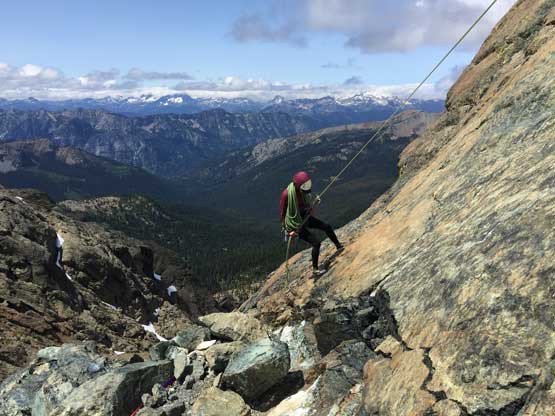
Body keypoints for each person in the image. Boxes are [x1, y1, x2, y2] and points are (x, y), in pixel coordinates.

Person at [279, 171, 343, 277]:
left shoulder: (302, 191)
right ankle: (315, 269)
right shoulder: (286, 195)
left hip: (304, 217)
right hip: (296, 225)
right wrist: (289, 231)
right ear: (298, 186)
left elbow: (305, 202)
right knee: (316, 243)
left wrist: (311, 205)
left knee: (326, 226)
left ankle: (338, 246)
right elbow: (282, 214)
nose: (305, 192)